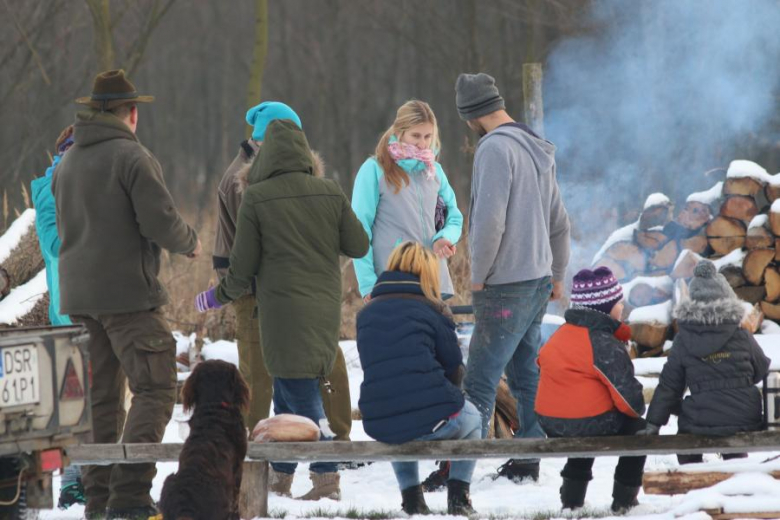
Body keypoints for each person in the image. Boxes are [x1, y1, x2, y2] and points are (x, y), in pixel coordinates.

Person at [52, 69, 201, 520]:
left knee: (99, 401)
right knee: (157, 386)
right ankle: (130, 497)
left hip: (79, 299)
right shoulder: (132, 157)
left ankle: (98, 502)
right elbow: (159, 220)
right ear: (131, 113)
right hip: (128, 298)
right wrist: (190, 242)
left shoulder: (69, 160)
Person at [195, 119, 368, 501]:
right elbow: (358, 244)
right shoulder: (329, 191)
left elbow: (241, 269)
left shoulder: (257, 198)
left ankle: (326, 478)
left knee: (302, 396)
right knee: (288, 393)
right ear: (306, 154)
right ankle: (282, 475)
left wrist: (215, 297)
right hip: (324, 307)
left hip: (281, 313)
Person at [212, 101, 353, 440]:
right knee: (259, 374)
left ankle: (336, 440)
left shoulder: (282, 174)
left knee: (325, 363)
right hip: (253, 291)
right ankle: (252, 447)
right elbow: (256, 247)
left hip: (293, 290)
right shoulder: (241, 180)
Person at [455, 72, 571, 482]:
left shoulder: (494, 149)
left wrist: (478, 277)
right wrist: (557, 274)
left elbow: (489, 224)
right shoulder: (537, 148)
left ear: (470, 115)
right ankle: (527, 459)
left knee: (480, 381)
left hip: (505, 285)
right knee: (525, 374)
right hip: (538, 281)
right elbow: (560, 222)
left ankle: (459, 474)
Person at [357, 242, 479, 516]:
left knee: (398, 422)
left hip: (379, 419)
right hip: (433, 419)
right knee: (473, 420)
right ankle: (458, 498)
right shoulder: (434, 310)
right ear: (428, 273)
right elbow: (454, 368)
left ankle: (412, 499)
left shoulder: (366, 314)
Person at [535, 267, 646, 512]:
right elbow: (630, 403)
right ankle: (624, 501)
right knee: (640, 430)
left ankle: (572, 501)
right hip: (585, 422)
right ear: (606, 308)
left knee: (584, 417)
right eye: (619, 303)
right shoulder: (602, 343)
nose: (623, 308)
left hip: (549, 421)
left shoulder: (559, 335)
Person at [640, 260, 771, 464]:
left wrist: (653, 423)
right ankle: (736, 474)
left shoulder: (684, 340)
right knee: (734, 442)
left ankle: (695, 484)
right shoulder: (741, 335)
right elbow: (761, 370)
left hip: (700, 419)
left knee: (686, 444)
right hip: (744, 416)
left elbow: (670, 386)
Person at [351, 100, 462, 300]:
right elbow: (359, 230)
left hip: (432, 279)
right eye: (416, 136)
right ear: (400, 132)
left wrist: (445, 238)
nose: (422, 144)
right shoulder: (374, 170)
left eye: (428, 136)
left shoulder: (435, 172)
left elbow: (454, 217)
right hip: (392, 280)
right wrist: (367, 283)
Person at [31, 125, 86, 510]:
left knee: (95, 402)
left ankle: (88, 478)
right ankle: (71, 483)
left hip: (94, 308)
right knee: (75, 405)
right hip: (69, 313)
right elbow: (54, 245)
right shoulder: (50, 190)